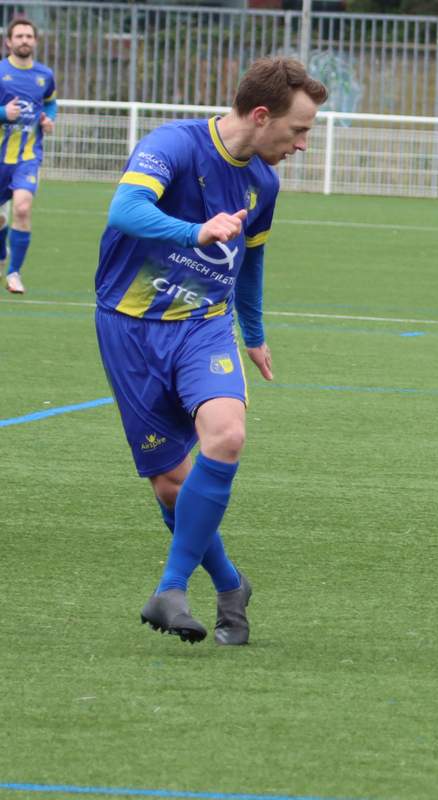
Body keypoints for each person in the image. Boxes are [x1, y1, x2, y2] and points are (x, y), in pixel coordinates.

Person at [93, 57, 327, 645]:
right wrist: (193, 231)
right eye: (298, 130)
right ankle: (228, 583)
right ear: (260, 114)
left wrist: (254, 332)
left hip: (203, 325)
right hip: (129, 328)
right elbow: (125, 210)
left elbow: (253, 260)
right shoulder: (172, 144)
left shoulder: (264, 184)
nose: (302, 145)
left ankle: (171, 587)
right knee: (172, 485)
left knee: (226, 435)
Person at [0, 18, 56, 295]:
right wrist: (2, 114)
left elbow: (50, 102)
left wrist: (49, 120)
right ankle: (2, 253)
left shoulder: (44, 75)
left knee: (22, 209)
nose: (24, 40)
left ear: (35, 41)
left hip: (27, 157)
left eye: (29, 36)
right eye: (19, 36)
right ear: (8, 42)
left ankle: (14, 272)